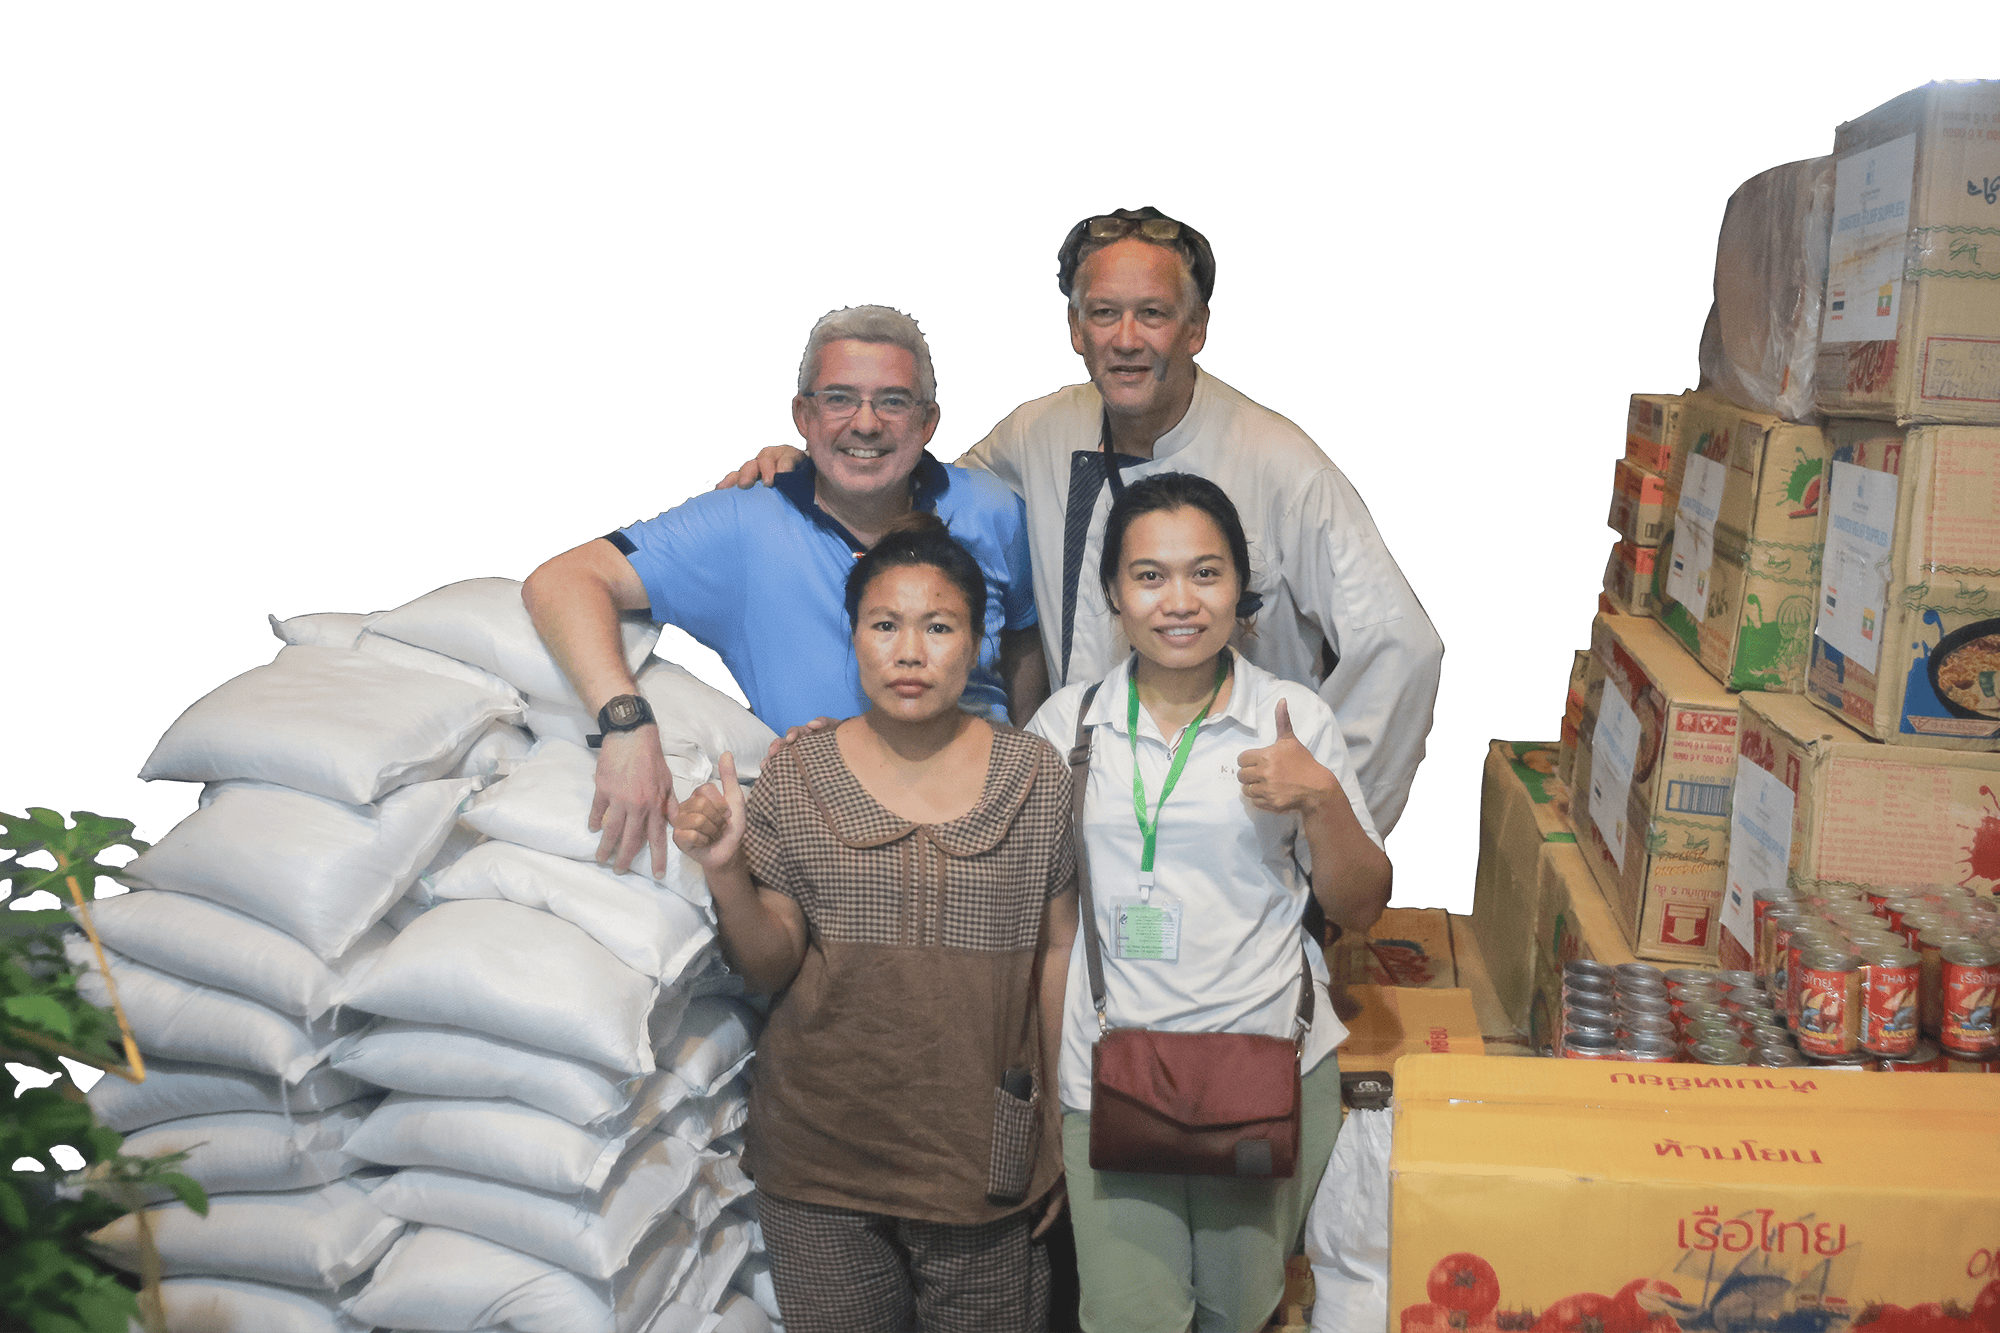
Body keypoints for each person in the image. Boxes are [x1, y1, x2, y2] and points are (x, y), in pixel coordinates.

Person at [717, 208, 1441, 836]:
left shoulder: (1280, 463)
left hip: (1238, 826)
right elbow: (924, 502)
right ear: (1075, 328)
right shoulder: (1038, 432)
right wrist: (820, 469)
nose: (1125, 339)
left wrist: (1328, 825)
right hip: (1081, 808)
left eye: (1152, 314)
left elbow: (1399, 647)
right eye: (1103, 313)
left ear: (1195, 328)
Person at [672, 515, 1077, 1333]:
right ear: (853, 636)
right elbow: (769, 963)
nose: (910, 651)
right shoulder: (799, 771)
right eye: (885, 624)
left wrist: (1062, 1122)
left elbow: (1059, 949)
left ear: (978, 641)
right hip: (820, 1157)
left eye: (940, 626)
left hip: (983, 1157)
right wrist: (724, 870)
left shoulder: (1036, 774)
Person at [1022, 472, 1390, 1333]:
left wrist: (1320, 798)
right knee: (1127, 1318)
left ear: (1240, 589)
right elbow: (1046, 925)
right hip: (1106, 1074)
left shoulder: (1293, 718)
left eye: (1206, 572)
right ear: (1114, 592)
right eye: (1149, 575)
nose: (1179, 601)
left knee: (1242, 1313)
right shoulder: (1067, 726)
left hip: (1267, 1064)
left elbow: (1363, 904)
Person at [522, 304, 1045, 877]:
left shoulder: (992, 510)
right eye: (839, 399)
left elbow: (1025, 639)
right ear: (804, 414)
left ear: (928, 421)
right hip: (835, 843)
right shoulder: (742, 525)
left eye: (893, 401)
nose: (866, 424)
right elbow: (565, 581)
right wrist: (627, 726)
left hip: (989, 825)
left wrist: (1027, 768)